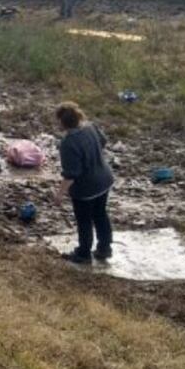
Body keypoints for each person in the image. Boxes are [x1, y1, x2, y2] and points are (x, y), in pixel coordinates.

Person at [55, 102, 114, 264]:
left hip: (86, 188)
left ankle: (83, 254)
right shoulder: (91, 127)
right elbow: (103, 142)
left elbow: (71, 174)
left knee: (84, 220)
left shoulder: (68, 143)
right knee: (101, 214)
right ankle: (104, 248)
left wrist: (60, 194)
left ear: (62, 122)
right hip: (104, 179)